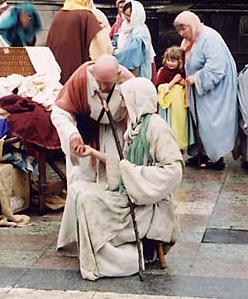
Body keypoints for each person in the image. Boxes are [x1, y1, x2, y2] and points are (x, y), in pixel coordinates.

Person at [57, 77, 183, 281]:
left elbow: (173, 171)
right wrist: (93, 153)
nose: (123, 103)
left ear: (136, 99)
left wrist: (134, 176)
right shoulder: (135, 127)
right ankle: (88, 249)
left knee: (88, 201)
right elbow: (123, 163)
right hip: (128, 192)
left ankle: (116, 260)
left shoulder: (157, 128)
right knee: (77, 188)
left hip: (146, 204)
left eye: (125, 99)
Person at [51, 54, 134, 188]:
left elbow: (137, 117)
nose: (101, 87)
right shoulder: (81, 78)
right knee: (81, 179)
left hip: (116, 132)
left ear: (118, 74)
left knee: (114, 178)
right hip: (86, 131)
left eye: (106, 83)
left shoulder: (129, 83)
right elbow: (60, 112)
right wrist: (72, 133)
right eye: (98, 81)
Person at [174, 11, 238, 170]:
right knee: (199, 121)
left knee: (212, 122)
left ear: (192, 25)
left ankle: (215, 156)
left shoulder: (210, 38)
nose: (182, 34)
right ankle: (200, 153)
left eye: (184, 29)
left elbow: (216, 68)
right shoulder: (191, 40)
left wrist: (197, 78)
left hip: (214, 91)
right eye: (179, 30)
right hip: (198, 90)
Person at [46, 0, 113, 84]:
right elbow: (101, 46)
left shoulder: (58, 15)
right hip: (77, 73)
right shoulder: (87, 16)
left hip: (55, 71)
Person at [155, 46, 189, 150]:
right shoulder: (164, 72)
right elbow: (160, 88)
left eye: (173, 61)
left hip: (179, 106)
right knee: (169, 125)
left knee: (180, 125)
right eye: (168, 60)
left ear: (180, 61)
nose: (170, 63)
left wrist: (183, 83)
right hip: (169, 107)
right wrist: (173, 82)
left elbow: (185, 84)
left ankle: (179, 145)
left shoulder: (182, 71)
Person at [114, 0, 156, 79]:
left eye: (130, 16)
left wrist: (116, 56)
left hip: (137, 69)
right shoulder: (124, 26)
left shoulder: (141, 30)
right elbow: (116, 38)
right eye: (125, 15)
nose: (127, 18)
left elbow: (134, 50)